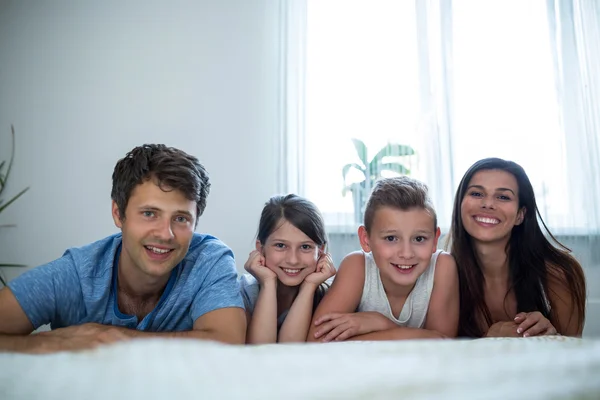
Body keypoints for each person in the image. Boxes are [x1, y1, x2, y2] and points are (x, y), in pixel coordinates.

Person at [0, 144, 246, 353]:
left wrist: (110, 337)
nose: (165, 234)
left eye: (181, 218)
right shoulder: (76, 274)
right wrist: (59, 343)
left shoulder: (208, 258)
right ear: (118, 214)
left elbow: (228, 342)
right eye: (149, 213)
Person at [447, 157, 587, 338]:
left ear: (520, 215)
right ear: (460, 205)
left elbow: (572, 358)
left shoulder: (559, 272)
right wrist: (488, 341)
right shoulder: (442, 274)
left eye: (503, 197)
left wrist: (552, 338)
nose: (488, 204)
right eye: (476, 193)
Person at [308, 177, 459, 342]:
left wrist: (381, 323)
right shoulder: (357, 266)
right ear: (366, 239)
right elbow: (316, 342)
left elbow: (443, 345)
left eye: (419, 239)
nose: (406, 254)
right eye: (391, 238)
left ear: (435, 240)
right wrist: (415, 335)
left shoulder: (442, 267)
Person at [239, 194, 336, 343]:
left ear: (320, 251)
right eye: (280, 245)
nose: (293, 260)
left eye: (305, 247)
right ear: (261, 247)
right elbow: (261, 353)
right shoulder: (242, 293)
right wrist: (268, 283)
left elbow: (290, 351)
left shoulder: (329, 297)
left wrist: (309, 287)